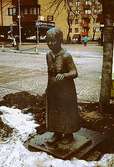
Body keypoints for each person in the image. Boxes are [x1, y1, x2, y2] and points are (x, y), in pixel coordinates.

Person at [46, 27, 80, 144]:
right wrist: (49, 87)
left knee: (67, 110)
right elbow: (50, 73)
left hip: (66, 89)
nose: (50, 43)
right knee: (54, 109)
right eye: (48, 40)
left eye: (53, 40)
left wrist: (65, 75)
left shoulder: (66, 55)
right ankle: (57, 132)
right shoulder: (48, 55)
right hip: (53, 88)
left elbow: (75, 72)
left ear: (60, 40)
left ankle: (69, 133)